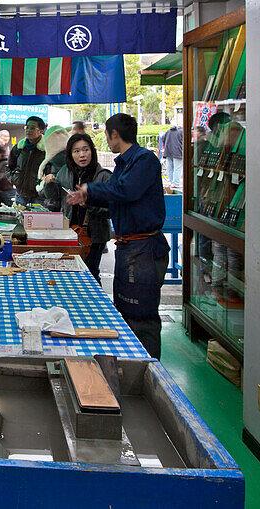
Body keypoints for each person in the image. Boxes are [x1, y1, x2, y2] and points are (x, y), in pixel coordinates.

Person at [67, 113, 170, 358]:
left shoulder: (144, 160)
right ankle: (131, 362)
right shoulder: (124, 163)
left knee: (142, 317)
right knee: (125, 312)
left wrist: (90, 189)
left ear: (114, 134)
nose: (107, 140)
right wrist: (89, 198)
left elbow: (125, 191)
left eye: (106, 135)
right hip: (128, 249)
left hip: (144, 249)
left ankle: (150, 368)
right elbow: (117, 199)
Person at [41, 133, 112, 280]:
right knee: (69, 275)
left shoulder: (103, 176)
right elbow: (52, 197)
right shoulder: (65, 172)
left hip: (95, 236)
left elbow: (111, 210)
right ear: (70, 154)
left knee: (91, 274)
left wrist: (89, 205)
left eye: (85, 150)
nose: (82, 155)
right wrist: (49, 184)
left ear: (92, 151)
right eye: (76, 151)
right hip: (68, 234)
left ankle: (93, 302)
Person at [6, 115, 46, 205]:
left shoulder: (46, 149)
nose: (28, 130)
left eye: (32, 128)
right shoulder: (19, 147)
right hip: (21, 194)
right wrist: (13, 179)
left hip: (39, 196)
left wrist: (42, 186)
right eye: (27, 127)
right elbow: (9, 167)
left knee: (37, 219)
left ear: (41, 131)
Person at [161, 118, 184, 190]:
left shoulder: (168, 131)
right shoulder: (181, 131)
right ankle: (176, 183)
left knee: (169, 167)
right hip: (178, 152)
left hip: (168, 151)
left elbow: (163, 138)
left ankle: (170, 182)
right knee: (177, 167)